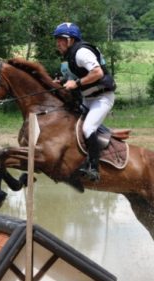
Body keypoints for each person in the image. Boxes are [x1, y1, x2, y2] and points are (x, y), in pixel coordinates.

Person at [52, 22, 116, 182]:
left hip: (102, 98)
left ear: (71, 40)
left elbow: (97, 72)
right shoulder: (70, 56)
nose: (58, 43)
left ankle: (94, 168)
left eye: (61, 39)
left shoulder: (81, 52)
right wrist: (62, 81)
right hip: (88, 99)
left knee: (87, 129)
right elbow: (74, 77)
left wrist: (77, 84)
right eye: (57, 39)